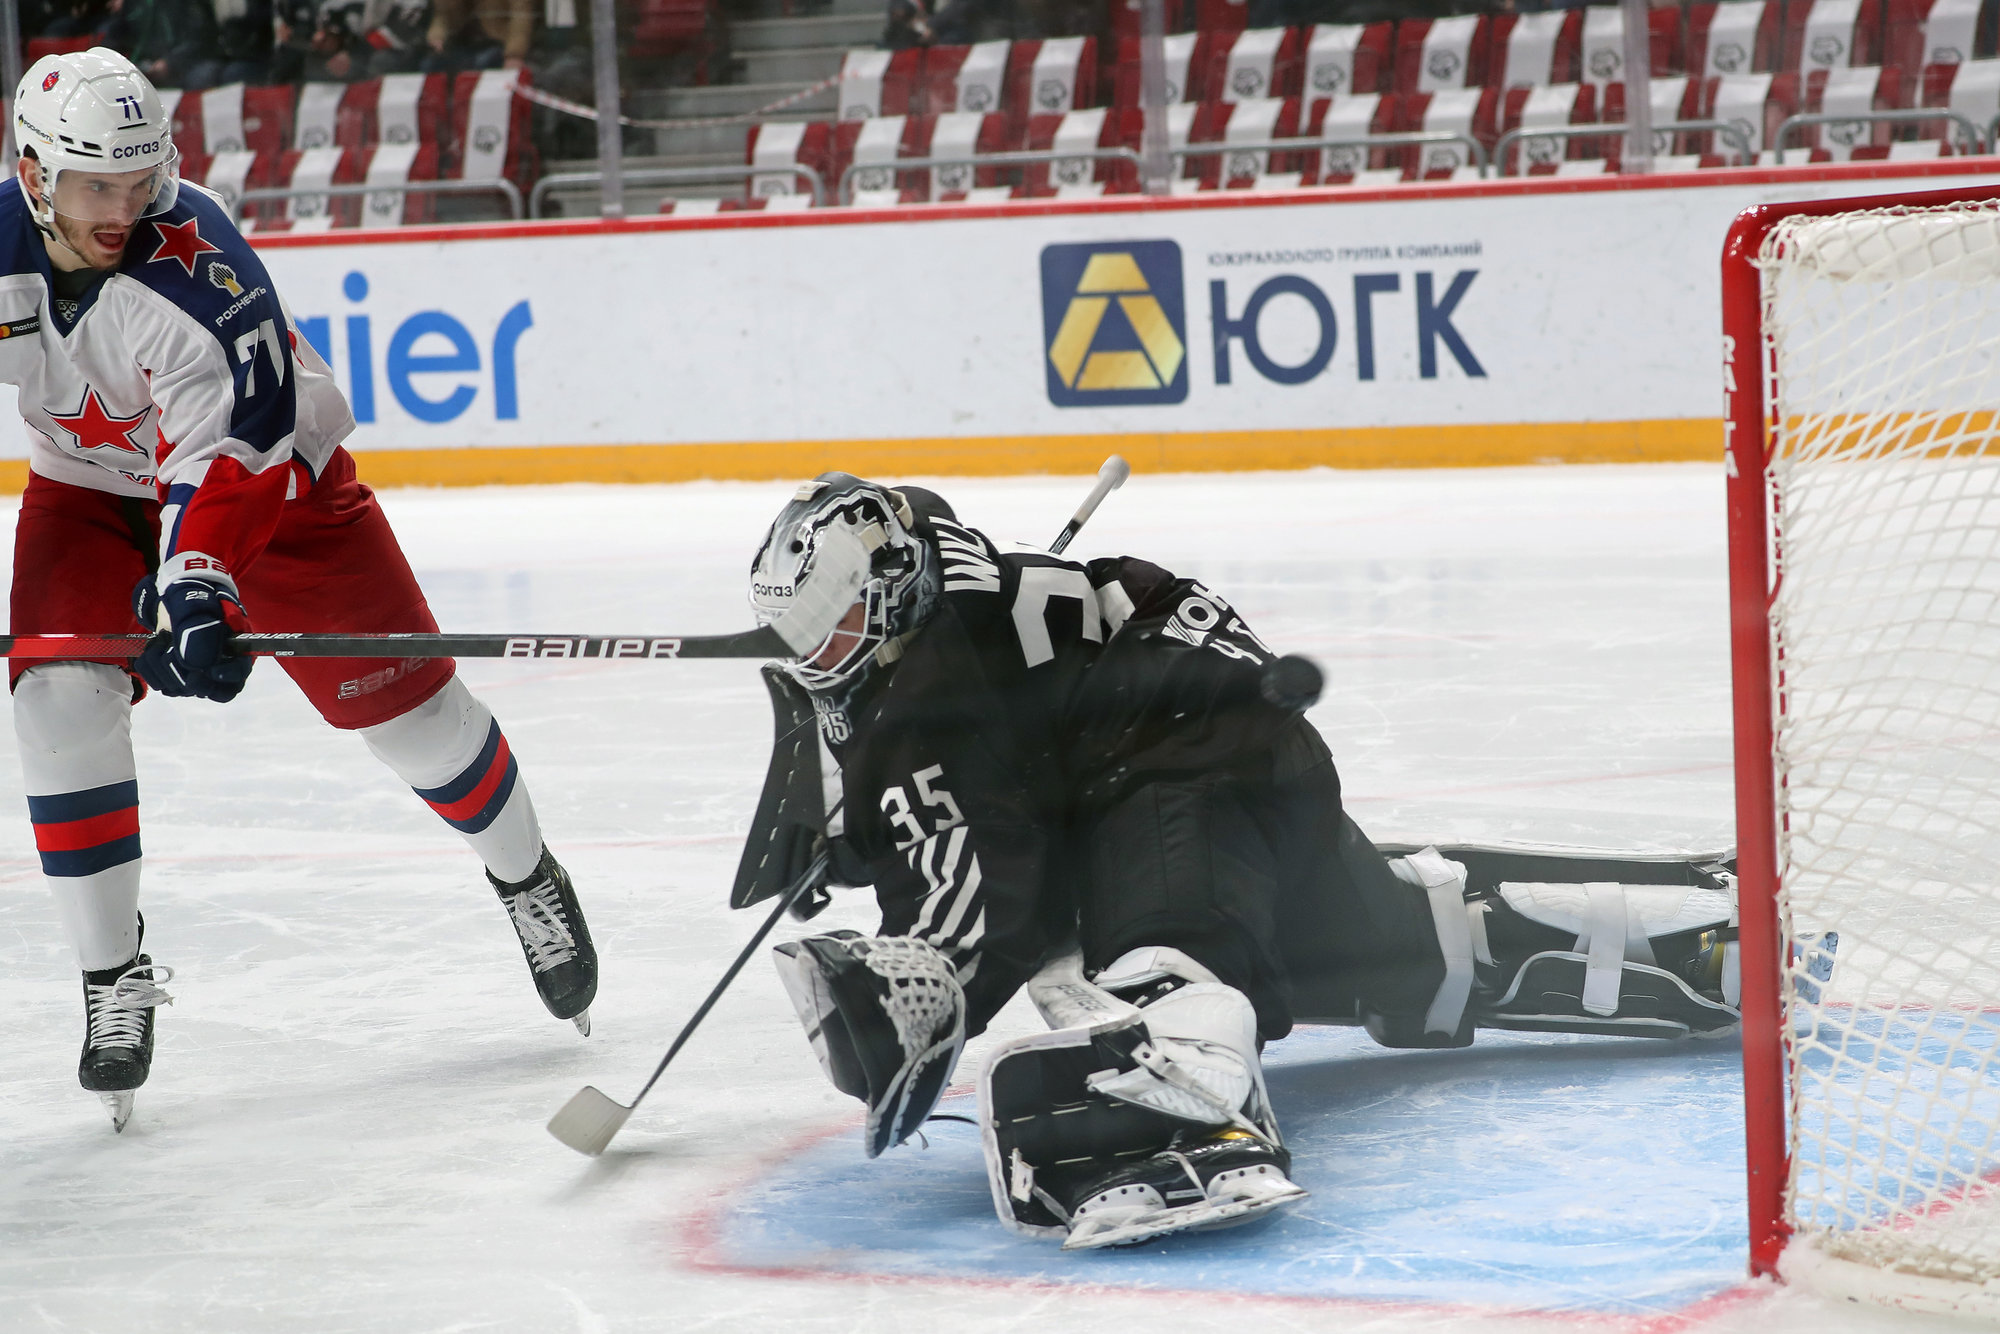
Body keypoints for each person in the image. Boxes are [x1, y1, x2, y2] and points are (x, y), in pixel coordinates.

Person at [734, 473, 1744, 1250]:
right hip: (1256, 760)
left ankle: (1192, 1100)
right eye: (808, 637)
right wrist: (864, 824)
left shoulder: (925, 693)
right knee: (1382, 947)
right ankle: (1677, 934)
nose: (829, 654)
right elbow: (981, 779)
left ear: (893, 589)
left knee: (1159, 945)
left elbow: (987, 886)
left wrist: (923, 971)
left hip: (1180, 779)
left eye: (843, 626)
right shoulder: (941, 562)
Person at [5, 48, 597, 1133]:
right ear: (36, 174)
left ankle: (525, 875)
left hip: (275, 487)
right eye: (99, 187)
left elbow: (241, 449)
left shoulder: (203, 272)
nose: (125, 208)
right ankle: (110, 974)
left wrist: (194, 586)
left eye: (141, 182)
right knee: (54, 700)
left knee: (418, 725)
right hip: (90, 492)